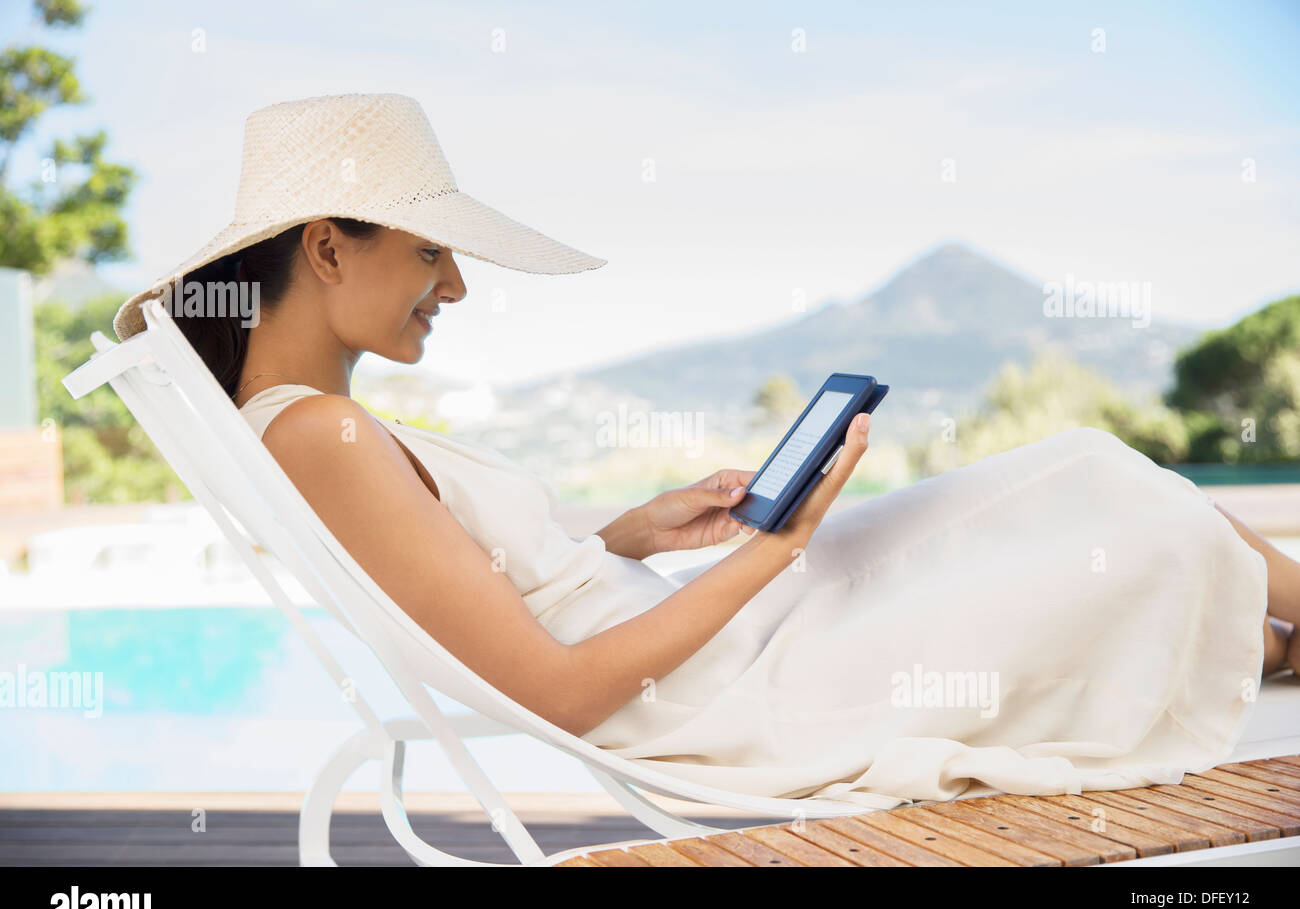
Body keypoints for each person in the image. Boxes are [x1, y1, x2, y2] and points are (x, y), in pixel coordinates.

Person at [111, 93, 1297, 810]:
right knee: (1131, 516)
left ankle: (1272, 631)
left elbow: (478, 593)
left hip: (716, 650)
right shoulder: (321, 430)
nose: (457, 285)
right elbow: (562, 689)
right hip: (735, 695)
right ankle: (1272, 632)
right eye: (431, 252)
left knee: (1084, 472)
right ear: (327, 249)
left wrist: (624, 535)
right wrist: (776, 546)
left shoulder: (311, 430)